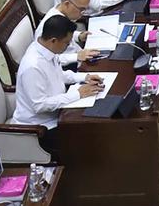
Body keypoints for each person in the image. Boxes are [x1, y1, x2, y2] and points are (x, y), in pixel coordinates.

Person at [12, 13, 105, 149]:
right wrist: (78, 94)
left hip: (59, 112)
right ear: (53, 41)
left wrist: (84, 77)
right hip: (42, 128)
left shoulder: (46, 49)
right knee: (91, 137)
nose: (68, 47)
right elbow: (40, 105)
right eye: (67, 43)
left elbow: (58, 74)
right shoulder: (32, 67)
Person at [40, 0, 100, 67]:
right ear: (67, 4)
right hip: (69, 65)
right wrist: (77, 56)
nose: (82, 13)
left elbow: (62, 33)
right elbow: (51, 60)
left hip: (79, 55)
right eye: (81, 9)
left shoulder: (62, 13)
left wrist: (79, 36)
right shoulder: (48, 25)